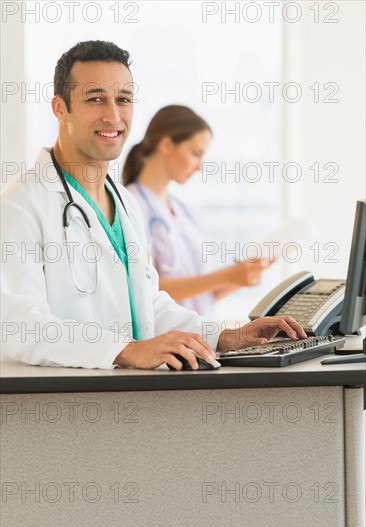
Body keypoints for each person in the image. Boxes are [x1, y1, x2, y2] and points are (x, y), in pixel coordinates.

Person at [0, 40, 306, 371]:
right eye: (95, 99)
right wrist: (126, 350)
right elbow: (19, 326)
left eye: (123, 100)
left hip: (133, 399)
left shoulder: (125, 202)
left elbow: (149, 305)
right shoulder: (20, 205)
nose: (113, 115)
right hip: (62, 408)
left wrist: (224, 336)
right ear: (59, 108)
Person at [123, 105, 269, 316]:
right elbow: (146, 290)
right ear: (166, 145)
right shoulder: (131, 204)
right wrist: (226, 275)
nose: (200, 166)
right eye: (195, 153)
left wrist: (241, 275)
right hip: (165, 340)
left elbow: (202, 294)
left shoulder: (187, 212)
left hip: (202, 339)